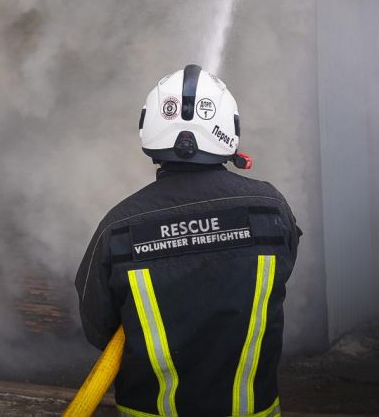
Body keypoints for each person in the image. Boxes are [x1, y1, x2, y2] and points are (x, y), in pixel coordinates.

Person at [75, 64, 300, 417]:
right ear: (230, 129)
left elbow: (98, 326)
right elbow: (284, 270)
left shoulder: (119, 227)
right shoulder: (270, 209)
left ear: (149, 127)